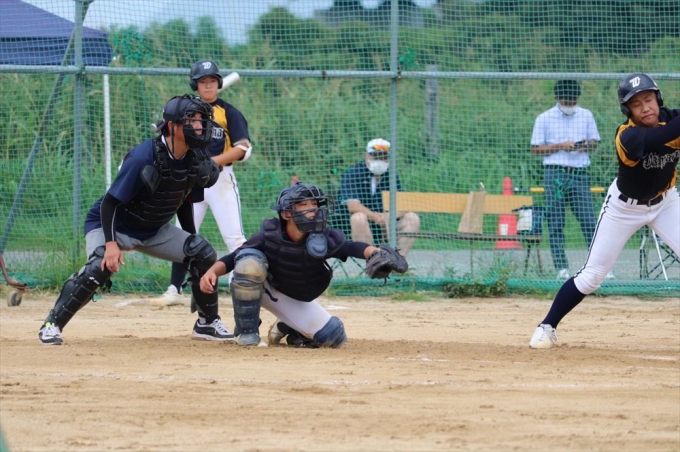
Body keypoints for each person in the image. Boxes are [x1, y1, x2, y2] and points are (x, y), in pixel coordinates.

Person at [38, 95, 233, 345]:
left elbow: (184, 202)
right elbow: (109, 203)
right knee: (99, 266)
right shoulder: (143, 157)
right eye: (192, 120)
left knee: (203, 252)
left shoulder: (194, 158)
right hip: (114, 224)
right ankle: (52, 325)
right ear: (172, 126)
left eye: (201, 119)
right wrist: (111, 245)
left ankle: (207, 323)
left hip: (153, 229)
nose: (199, 126)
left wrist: (191, 243)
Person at [529, 72, 680, 349]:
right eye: (636, 104)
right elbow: (663, 137)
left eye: (649, 99)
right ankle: (547, 326)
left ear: (658, 99)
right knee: (593, 275)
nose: (645, 108)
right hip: (624, 209)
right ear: (627, 111)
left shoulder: (671, 118)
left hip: (666, 202)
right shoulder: (628, 136)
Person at [200, 181, 407, 347]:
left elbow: (350, 247)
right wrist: (213, 272)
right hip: (263, 288)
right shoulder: (270, 234)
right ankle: (246, 333)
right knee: (248, 264)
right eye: (304, 205)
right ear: (286, 213)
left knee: (332, 336)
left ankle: (288, 325)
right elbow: (235, 256)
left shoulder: (323, 236)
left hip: (292, 296)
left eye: (314, 205)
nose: (312, 210)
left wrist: (374, 252)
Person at [161, 59, 252, 304]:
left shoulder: (228, 112)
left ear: (219, 83)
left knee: (234, 237)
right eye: (203, 82)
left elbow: (243, 148)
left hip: (220, 180)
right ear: (195, 85)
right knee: (183, 234)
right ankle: (175, 289)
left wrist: (212, 162)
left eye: (212, 81)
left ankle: (244, 284)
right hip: (192, 180)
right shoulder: (189, 113)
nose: (208, 86)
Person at [530, 80, 607, 280]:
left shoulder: (586, 115)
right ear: (557, 98)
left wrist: (585, 145)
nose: (570, 105)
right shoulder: (544, 118)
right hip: (554, 174)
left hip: (579, 173)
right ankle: (561, 268)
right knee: (555, 221)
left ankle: (599, 267)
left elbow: (595, 143)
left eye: (573, 101)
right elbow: (535, 149)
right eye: (566, 101)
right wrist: (560, 146)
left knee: (589, 221)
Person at [335, 138, 420, 257]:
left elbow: (402, 204)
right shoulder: (353, 173)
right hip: (354, 226)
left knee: (412, 218)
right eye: (375, 156)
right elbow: (353, 206)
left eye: (384, 157)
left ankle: (398, 260)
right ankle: (373, 260)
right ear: (366, 156)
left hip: (386, 224)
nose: (380, 160)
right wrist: (377, 218)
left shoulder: (391, 175)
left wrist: (389, 216)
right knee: (358, 218)